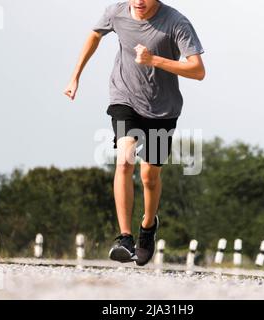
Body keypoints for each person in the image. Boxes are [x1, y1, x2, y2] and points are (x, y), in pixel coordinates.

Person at [64, 0, 205, 266]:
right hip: (124, 97)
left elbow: (198, 71)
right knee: (125, 158)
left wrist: (155, 60)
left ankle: (148, 226)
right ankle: (124, 238)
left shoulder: (176, 22)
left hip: (163, 109)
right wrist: (75, 76)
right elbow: (95, 34)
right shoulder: (116, 12)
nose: (139, 1)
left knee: (149, 176)